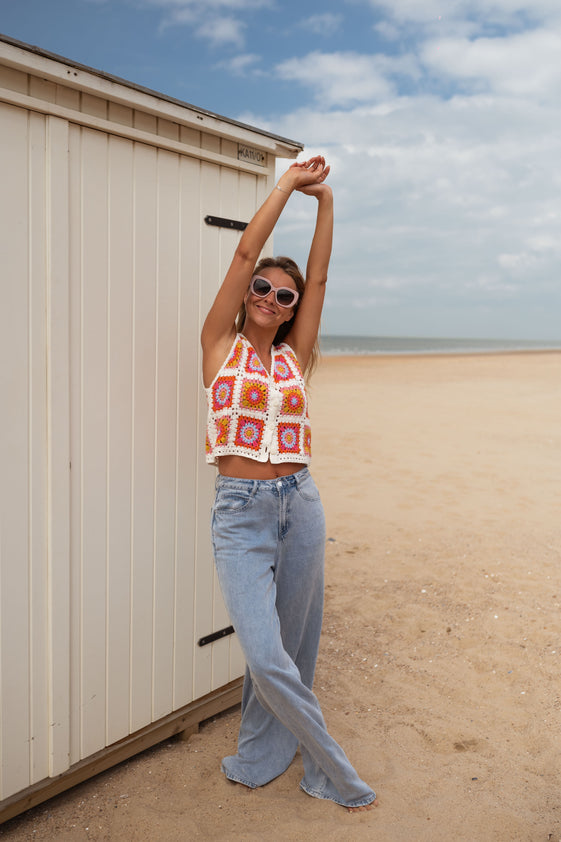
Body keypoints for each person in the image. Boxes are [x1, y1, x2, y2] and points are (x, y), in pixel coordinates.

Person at [201, 156, 377, 812]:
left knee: (295, 648)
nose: (271, 298)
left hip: (299, 502)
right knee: (266, 653)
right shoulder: (220, 344)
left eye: (285, 295)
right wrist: (286, 188)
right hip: (239, 513)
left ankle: (262, 753)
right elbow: (246, 251)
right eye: (263, 289)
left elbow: (321, 276)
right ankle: (335, 771)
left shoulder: (292, 358)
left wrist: (326, 203)